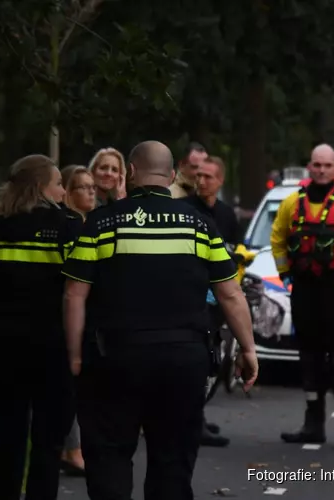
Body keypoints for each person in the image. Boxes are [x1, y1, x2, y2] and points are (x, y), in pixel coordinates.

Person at [62, 140, 258, 500]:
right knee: (172, 462)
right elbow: (230, 293)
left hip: (113, 359)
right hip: (182, 362)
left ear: (131, 173)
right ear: (170, 176)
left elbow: (75, 294)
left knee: (109, 458)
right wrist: (247, 349)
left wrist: (74, 355)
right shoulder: (199, 225)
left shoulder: (102, 224)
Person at [0, 155, 82, 500]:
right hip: (51, 351)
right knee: (48, 442)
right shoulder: (65, 226)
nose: (63, 191)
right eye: (59, 183)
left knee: (8, 438)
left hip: (1, 351)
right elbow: (75, 292)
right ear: (40, 188)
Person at [271, 144, 334, 450]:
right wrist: (285, 274)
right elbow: (277, 239)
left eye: (327, 165)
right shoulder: (292, 202)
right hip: (304, 290)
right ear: (309, 166)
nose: (321, 170)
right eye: (316, 164)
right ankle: (312, 425)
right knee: (310, 359)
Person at [184, 155, 240, 447]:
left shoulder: (227, 215)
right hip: (191, 300)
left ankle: (199, 417)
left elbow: (231, 255)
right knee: (196, 365)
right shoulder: (184, 211)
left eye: (208, 176)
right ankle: (193, 423)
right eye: (199, 175)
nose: (201, 181)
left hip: (217, 300)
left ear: (220, 181)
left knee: (213, 362)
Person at [58, 164, 97, 475]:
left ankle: (72, 446)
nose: (92, 191)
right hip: (69, 316)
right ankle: (73, 449)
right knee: (69, 386)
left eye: (92, 186)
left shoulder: (85, 224)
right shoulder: (70, 226)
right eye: (83, 186)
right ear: (68, 193)